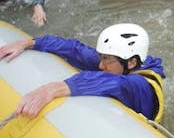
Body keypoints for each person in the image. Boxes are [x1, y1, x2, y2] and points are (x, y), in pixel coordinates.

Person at [0, 23, 165, 122]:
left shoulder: (140, 87)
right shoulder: (120, 61)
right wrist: (27, 43)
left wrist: (53, 88)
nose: (101, 65)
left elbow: (117, 83)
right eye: (102, 57)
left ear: (132, 62)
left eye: (106, 59)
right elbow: (73, 49)